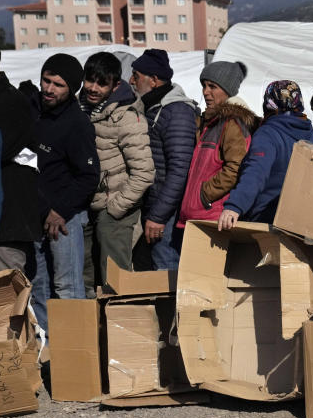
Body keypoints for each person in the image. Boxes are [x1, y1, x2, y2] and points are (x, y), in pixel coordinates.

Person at [30, 54, 100, 330]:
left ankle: (78, 355)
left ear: (71, 89)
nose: (49, 89)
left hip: (65, 219)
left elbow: (88, 176)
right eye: (46, 80)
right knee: (39, 287)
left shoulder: (77, 124)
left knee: (68, 287)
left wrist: (60, 210)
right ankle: (50, 354)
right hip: (35, 215)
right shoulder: (34, 111)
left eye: (58, 85)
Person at [79, 52, 155, 294]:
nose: (93, 88)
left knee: (115, 282)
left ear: (115, 85)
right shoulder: (81, 109)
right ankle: (91, 329)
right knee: (86, 279)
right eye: (89, 80)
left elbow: (144, 172)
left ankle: (122, 329)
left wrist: (116, 208)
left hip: (114, 209)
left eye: (101, 83)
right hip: (86, 206)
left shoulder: (127, 117)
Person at [218, 80, 313, 229]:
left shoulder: (267, 134)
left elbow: (256, 172)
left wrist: (234, 206)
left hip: (265, 222)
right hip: (300, 223)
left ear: (269, 103)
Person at [131, 49, 199, 270]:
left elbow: (180, 169)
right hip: (156, 206)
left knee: (166, 270)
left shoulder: (176, 111)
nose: (132, 81)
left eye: (136, 76)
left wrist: (159, 216)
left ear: (153, 80)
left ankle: (173, 307)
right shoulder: (152, 108)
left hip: (168, 211)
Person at [178, 61, 258, 228]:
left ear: (227, 90)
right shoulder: (208, 122)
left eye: (212, 86)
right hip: (196, 214)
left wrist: (203, 194)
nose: (206, 92)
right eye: (204, 85)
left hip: (211, 217)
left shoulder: (232, 124)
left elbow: (236, 168)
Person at [0, 50, 44, 273]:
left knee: (8, 297)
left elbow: (3, 150)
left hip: (9, 221)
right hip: (7, 219)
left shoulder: (11, 103)